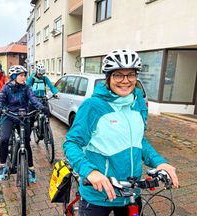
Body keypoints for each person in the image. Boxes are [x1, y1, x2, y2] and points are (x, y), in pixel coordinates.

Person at [63, 49, 179, 216]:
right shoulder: (93, 106)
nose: (125, 81)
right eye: (118, 75)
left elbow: (139, 141)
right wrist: (90, 171)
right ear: (108, 77)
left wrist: (159, 162)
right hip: (99, 193)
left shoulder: (138, 101)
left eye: (130, 75)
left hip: (132, 192)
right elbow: (72, 143)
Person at [0, 65, 47, 183]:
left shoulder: (27, 88)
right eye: (21, 75)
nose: (24, 78)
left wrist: (41, 107)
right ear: (13, 77)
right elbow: (1, 99)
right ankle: (3, 167)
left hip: (23, 116)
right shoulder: (6, 88)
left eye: (24, 75)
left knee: (26, 142)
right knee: (4, 139)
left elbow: (33, 98)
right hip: (9, 115)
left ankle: (30, 168)